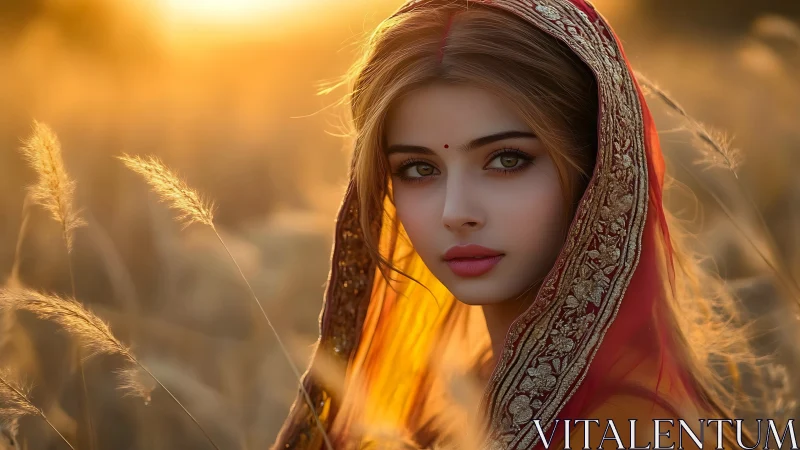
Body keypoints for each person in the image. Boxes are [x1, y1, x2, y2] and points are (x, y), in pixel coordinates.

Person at [274, 1, 767, 448]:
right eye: (418, 169)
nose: (455, 212)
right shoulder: (457, 401)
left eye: (507, 159)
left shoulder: (632, 430)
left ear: (600, 168)